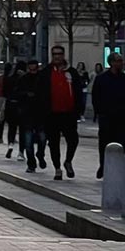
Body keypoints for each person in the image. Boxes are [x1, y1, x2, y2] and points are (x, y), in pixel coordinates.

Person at [36, 44, 85, 180]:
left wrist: (79, 110)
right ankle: (57, 168)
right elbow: (40, 93)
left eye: (59, 54)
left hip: (69, 113)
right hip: (51, 113)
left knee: (73, 140)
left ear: (63, 55)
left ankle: (68, 161)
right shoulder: (46, 72)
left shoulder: (72, 72)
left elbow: (78, 92)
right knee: (53, 142)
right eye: (55, 54)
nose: (57, 57)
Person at [90, 52, 125, 177]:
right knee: (104, 142)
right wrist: (99, 111)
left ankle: (118, 167)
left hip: (121, 115)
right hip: (106, 115)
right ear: (112, 63)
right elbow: (96, 96)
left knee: (120, 142)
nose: (121, 63)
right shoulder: (102, 78)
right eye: (118, 61)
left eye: (121, 60)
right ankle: (103, 165)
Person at [0, 62, 13, 144]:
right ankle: (10, 137)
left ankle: (0, 138)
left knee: (0, 120)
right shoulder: (11, 78)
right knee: (10, 120)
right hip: (8, 99)